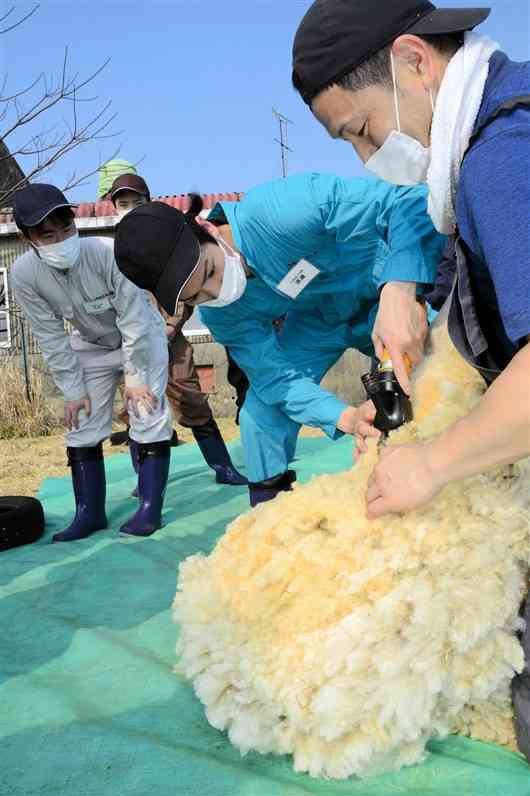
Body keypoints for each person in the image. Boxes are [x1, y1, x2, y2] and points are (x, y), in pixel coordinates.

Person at [292, 0, 530, 761]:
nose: (368, 157)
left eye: (360, 130)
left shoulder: (503, 158)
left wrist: (432, 461)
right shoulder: (482, 134)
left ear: (415, 62)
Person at [114, 172, 445, 507]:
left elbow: (408, 200)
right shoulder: (221, 313)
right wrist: (345, 418)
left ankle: (451, 481)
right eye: (198, 296)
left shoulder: (283, 211)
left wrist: (401, 290)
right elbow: (274, 377)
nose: (216, 293)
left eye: (211, 273)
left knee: (425, 380)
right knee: (259, 415)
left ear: (208, 230)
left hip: (387, 293)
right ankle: (270, 515)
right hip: (318, 321)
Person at [11, 184, 173, 541]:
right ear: (28, 238)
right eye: (48, 235)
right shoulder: (23, 275)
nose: (61, 239)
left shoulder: (106, 253)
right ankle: (89, 513)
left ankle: (149, 510)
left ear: (76, 224)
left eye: (66, 229)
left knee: (146, 412)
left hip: (141, 337)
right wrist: (72, 389)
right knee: (80, 421)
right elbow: (50, 335)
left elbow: (133, 318)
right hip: (91, 343)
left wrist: (135, 376)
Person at [107, 173, 247, 486]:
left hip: (172, 340)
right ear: (114, 207)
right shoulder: (112, 249)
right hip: (134, 345)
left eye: (136, 202)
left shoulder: (165, 232)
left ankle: (223, 468)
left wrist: (171, 326)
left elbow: (188, 281)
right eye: (123, 203)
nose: (129, 208)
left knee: (192, 400)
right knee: (137, 409)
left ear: (148, 201)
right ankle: (143, 479)